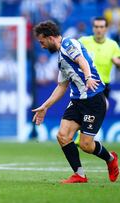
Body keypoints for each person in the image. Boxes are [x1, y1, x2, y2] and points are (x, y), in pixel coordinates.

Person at [32, 20, 119, 183]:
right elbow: (62, 86)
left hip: (93, 100)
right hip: (77, 101)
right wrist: (44, 107)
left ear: (50, 37)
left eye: (42, 42)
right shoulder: (60, 58)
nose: (42, 46)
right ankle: (79, 175)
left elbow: (82, 61)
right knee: (63, 136)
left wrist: (87, 78)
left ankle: (110, 159)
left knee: (86, 145)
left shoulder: (68, 44)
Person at [75, 17, 120, 145]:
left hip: (103, 85)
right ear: (93, 28)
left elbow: (116, 60)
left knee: (100, 110)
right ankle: (81, 135)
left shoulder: (112, 45)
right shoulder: (83, 41)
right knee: (95, 108)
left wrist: (117, 62)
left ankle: (83, 136)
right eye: (96, 27)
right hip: (86, 83)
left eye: (101, 27)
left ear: (106, 29)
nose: (99, 30)